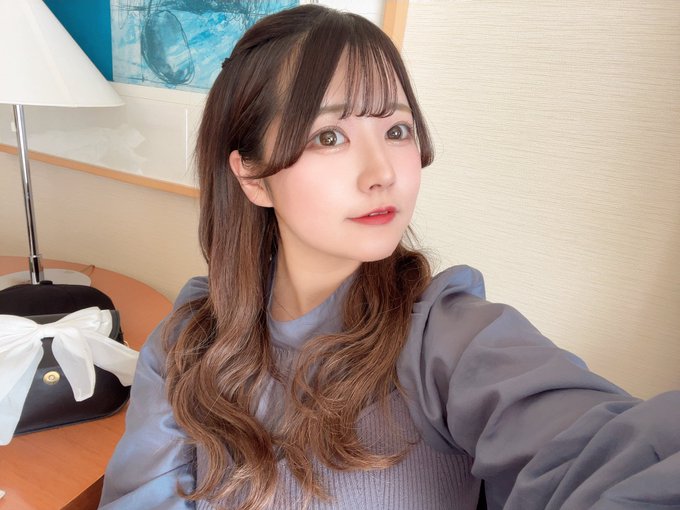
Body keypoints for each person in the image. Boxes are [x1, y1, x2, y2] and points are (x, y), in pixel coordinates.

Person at [99, 5, 680, 510]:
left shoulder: (446, 340)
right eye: (329, 136)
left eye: (397, 130)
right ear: (252, 176)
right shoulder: (187, 344)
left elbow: (612, 455)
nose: (383, 173)